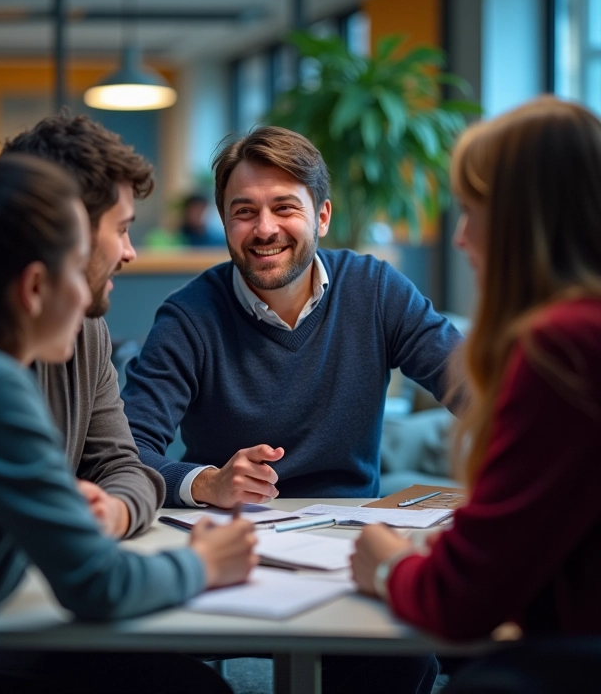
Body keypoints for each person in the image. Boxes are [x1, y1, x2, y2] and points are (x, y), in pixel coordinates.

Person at [0, 156, 256, 694]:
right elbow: (99, 587)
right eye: (76, 271)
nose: (87, 297)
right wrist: (204, 562)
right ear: (34, 288)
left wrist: (46, 513)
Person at [351, 96, 601, 642]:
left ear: (522, 218)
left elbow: (461, 601)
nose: (461, 236)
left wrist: (387, 564)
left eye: (473, 209)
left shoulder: (563, 347)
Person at [123, 125, 464, 510]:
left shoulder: (375, 290)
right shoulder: (189, 317)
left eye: (284, 208)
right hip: (234, 536)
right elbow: (126, 452)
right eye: (245, 212)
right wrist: (208, 482)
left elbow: (476, 386)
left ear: (322, 217)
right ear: (225, 223)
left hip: (351, 535)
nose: (265, 229)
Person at [1, 114, 163, 539]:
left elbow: (124, 466)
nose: (130, 252)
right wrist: (205, 563)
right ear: (69, 231)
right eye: (123, 229)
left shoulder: (88, 331)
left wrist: (115, 511)